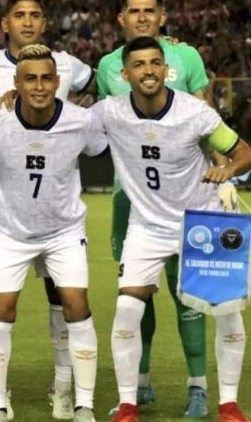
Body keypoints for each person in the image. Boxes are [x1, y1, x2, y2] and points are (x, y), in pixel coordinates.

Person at [97, 36, 251, 422]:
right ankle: (128, 405)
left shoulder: (194, 113)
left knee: (227, 309)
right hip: (147, 226)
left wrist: (229, 170)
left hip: (202, 220)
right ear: (125, 74)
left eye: (155, 63)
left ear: (166, 70)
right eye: (139, 64)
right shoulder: (110, 112)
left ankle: (228, 405)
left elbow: (243, 152)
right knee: (127, 308)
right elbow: (59, 120)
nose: (148, 70)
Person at [0, 0, 95, 419]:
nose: (39, 85)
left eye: (46, 79)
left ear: (58, 81)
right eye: (29, 79)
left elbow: (109, 101)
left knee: (72, 303)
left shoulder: (80, 117)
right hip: (8, 224)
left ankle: (73, 394)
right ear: (15, 84)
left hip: (63, 227)